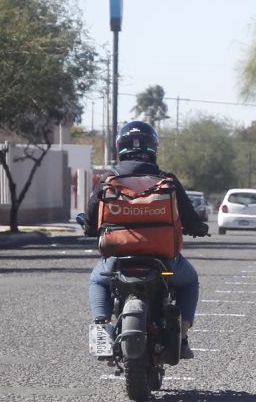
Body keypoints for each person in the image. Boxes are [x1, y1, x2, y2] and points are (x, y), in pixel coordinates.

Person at [85, 120, 209, 359]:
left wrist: (90, 229)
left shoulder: (108, 179)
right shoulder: (167, 180)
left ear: (120, 147)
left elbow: (92, 215)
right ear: (153, 147)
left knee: (98, 280)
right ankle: (182, 338)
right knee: (189, 280)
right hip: (163, 260)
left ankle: (101, 327)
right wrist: (198, 228)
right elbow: (189, 216)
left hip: (118, 256)